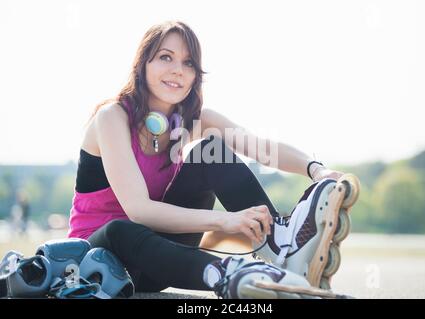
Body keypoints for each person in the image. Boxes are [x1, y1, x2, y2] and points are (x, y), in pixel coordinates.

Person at [67, 20, 343, 295]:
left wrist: (316, 170)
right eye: (165, 57)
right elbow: (138, 211)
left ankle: (277, 246)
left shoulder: (192, 120)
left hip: (158, 260)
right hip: (97, 263)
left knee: (210, 153)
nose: (178, 70)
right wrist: (225, 220)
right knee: (120, 230)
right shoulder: (111, 117)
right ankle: (236, 275)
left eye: (188, 63)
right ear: (143, 64)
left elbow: (260, 146)